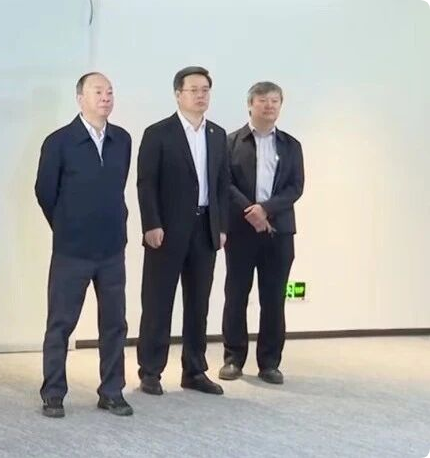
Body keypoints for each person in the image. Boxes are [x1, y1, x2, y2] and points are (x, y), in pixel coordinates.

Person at [35, 72, 133, 418]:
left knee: (115, 323)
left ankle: (112, 391)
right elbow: (45, 192)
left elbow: (117, 185)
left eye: (110, 91)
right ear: (80, 98)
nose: (105, 97)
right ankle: (53, 393)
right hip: (72, 249)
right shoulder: (59, 141)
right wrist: (66, 223)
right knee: (61, 323)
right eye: (98, 91)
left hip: (112, 248)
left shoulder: (122, 139)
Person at [136, 66, 231, 396]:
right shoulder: (158, 133)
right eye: (194, 90)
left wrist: (221, 226)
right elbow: (146, 183)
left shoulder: (217, 134)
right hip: (166, 230)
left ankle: (194, 370)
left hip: (205, 228)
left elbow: (222, 185)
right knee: (158, 301)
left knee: (198, 304)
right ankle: (150, 370)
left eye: (205, 90)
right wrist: (151, 223)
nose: (200, 95)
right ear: (178, 94)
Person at [219, 81, 304, 385]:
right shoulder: (230, 142)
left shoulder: (291, 145)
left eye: (275, 101)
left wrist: (265, 209)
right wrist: (251, 211)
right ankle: (233, 358)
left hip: (279, 231)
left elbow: (295, 187)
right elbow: (224, 183)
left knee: (273, 298)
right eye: (263, 100)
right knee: (236, 295)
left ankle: (269, 363)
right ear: (250, 104)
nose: (269, 106)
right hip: (241, 231)